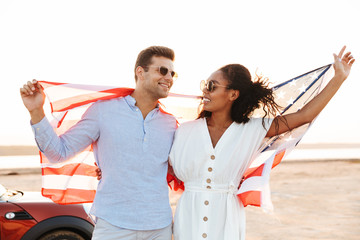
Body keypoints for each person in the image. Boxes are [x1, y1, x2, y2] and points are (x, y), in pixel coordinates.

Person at [168, 46, 355, 240]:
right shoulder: (184, 131)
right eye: (205, 85)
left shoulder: (252, 129)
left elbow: (304, 116)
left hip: (226, 218)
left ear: (233, 94)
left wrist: (338, 78)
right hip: (188, 216)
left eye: (212, 86)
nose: (205, 91)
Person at [20, 46, 179, 240]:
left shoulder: (171, 123)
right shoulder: (103, 111)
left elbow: (180, 170)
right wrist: (36, 111)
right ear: (140, 72)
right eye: (162, 70)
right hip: (113, 226)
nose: (169, 77)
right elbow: (58, 153)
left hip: (159, 226)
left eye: (172, 73)